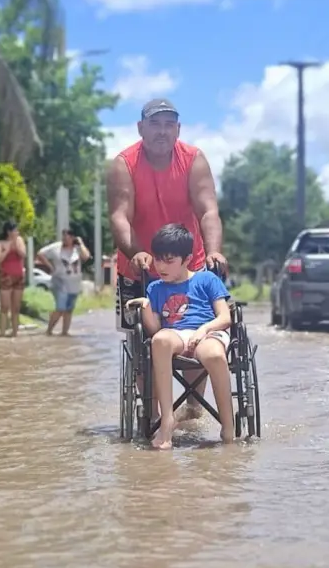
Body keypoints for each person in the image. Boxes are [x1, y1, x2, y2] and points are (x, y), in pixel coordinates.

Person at [107, 97, 227, 421]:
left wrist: (214, 250)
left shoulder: (192, 159)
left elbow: (208, 210)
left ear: (177, 129)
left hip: (190, 265)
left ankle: (193, 406)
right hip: (139, 266)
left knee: (195, 335)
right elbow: (119, 216)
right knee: (144, 342)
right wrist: (137, 253)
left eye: (168, 124)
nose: (162, 131)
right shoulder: (124, 164)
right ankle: (155, 414)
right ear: (140, 128)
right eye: (155, 124)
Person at [125, 223, 235, 450]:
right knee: (160, 340)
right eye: (157, 259)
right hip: (175, 334)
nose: (161, 266)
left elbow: (225, 317)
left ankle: (228, 425)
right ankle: (167, 420)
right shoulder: (155, 288)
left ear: (186, 259)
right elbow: (155, 330)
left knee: (214, 354)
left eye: (169, 260)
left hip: (208, 330)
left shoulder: (207, 280)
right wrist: (146, 307)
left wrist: (203, 331)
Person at [36, 227, 91, 336]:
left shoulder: (77, 248)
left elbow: (86, 257)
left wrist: (81, 243)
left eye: (68, 237)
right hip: (59, 281)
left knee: (69, 309)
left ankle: (64, 332)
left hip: (74, 283)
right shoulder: (55, 247)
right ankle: (49, 331)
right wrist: (50, 266)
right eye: (64, 236)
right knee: (60, 308)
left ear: (73, 238)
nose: (65, 239)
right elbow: (40, 254)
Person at [0, 220, 26, 337]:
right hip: (5, 276)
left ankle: (14, 332)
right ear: (8, 232)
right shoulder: (0, 243)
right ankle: (2, 331)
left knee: (16, 307)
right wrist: (7, 249)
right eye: (15, 230)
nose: (17, 232)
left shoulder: (20, 241)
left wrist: (15, 246)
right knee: (5, 306)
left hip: (19, 276)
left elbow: (23, 254)